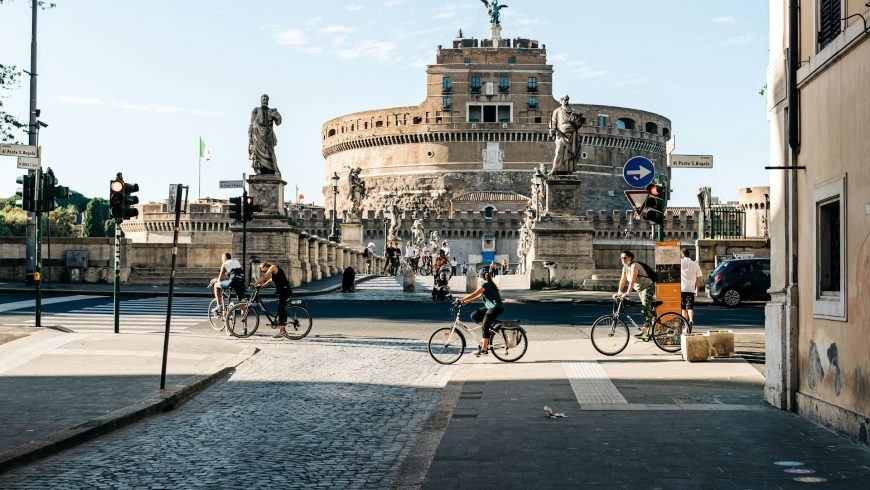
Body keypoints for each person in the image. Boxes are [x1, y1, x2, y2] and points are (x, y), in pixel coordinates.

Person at [457, 265, 504, 355]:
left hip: (495, 307)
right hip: (491, 307)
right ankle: (488, 329)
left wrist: (462, 299)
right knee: (474, 315)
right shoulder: (488, 283)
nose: (478, 276)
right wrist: (467, 301)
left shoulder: (485, 284)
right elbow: (479, 296)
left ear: (481, 276)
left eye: (479, 275)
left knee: (485, 326)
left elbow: (475, 293)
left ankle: (484, 349)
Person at [615, 250, 656, 338]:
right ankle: (656, 325)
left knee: (646, 308)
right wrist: (619, 291)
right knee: (648, 308)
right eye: (621, 258)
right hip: (640, 289)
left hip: (648, 287)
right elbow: (623, 280)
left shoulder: (634, 266)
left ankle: (645, 331)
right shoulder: (625, 267)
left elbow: (632, 280)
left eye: (624, 258)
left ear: (629, 258)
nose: (623, 259)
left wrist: (627, 293)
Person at [250, 261, 292, 338]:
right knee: (281, 309)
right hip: (282, 291)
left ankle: (282, 331)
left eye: (264, 271)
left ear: (265, 267)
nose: (265, 272)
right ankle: (283, 329)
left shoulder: (273, 267)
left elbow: (265, 277)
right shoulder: (274, 271)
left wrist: (255, 283)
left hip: (284, 291)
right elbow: (269, 281)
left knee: (281, 310)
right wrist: (261, 286)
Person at [680, 248, 703, 329]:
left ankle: (686, 325)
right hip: (691, 289)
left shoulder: (680, 263)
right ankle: (691, 320)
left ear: (682, 254)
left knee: (683, 308)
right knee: (690, 307)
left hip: (682, 289)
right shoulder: (695, 264)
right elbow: (698, 279)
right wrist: (696, 290)